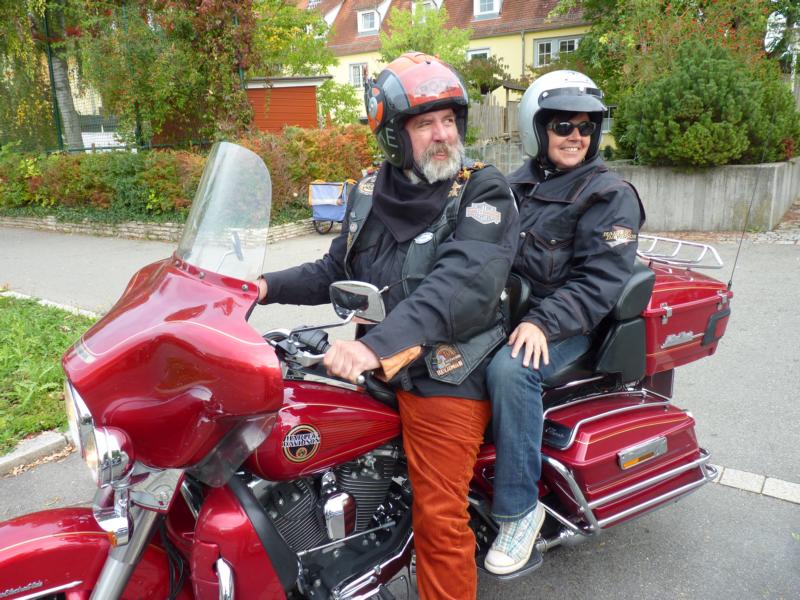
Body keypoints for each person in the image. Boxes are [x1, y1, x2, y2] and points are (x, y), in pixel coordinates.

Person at [255, 52, 519, 599]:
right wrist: (259, 287)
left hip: (448, 371)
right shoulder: (371, 191)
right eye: (425, 124)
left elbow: (460, 285)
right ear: (395, 136)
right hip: (378, 363)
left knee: (438, 514)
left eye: (449, 120)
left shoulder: (482, 191)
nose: (442, 135)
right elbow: (334, 269)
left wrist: (375, 346)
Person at [483, 70, 646, 575]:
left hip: (572, 324)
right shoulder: (514, 185)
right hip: (509, 312)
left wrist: (543, 323)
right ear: (538, 129)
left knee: (512, 370)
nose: (576, 136)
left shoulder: (609, 194)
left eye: (586, 127)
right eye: (562, 126)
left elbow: (600, 281)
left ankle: (519, 512)